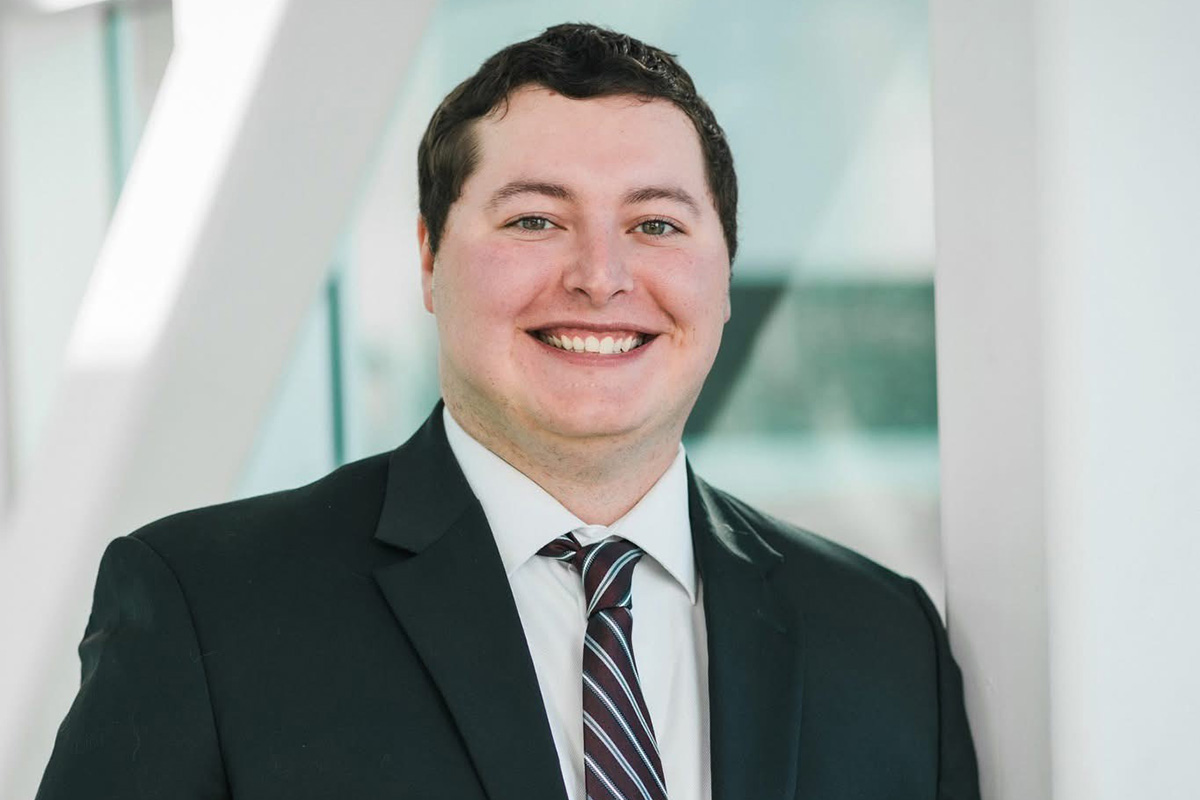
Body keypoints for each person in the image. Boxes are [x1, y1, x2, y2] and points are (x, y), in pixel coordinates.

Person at [36, 23, 979, 800]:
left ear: (724, 273)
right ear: (427, 260)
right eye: (535, 219)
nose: (600, 277)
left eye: (656, 224)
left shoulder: (881, 635)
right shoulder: (207, 606)